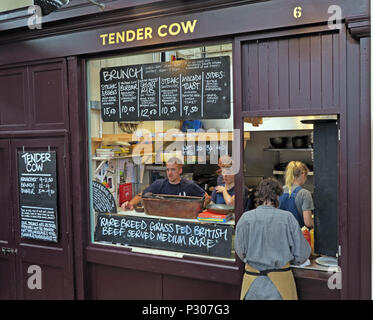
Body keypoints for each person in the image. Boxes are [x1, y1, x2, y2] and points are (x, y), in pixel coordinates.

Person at [235, 178, 311, 300]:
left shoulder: (245, 218)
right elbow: (302, 254)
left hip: (252, 285)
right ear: (277, 197)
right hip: (281, 286)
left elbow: (240, 251)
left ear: (258, 196)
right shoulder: (288, 218)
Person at [121, 157, 208, 210]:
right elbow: (141, 195)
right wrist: (130, 204)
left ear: (180, 170)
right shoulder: (159, 184)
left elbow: (207, 197)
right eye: (167, 169)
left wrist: (202, 207)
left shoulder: (189, 185)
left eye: (173, 169)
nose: (169, 173)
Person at [279, 161, 314, 228]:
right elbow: (308, 223)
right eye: (306, 175)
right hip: (298, 235)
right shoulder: (305, 194)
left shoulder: (279, 191)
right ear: (303, 174)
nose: (306, 179)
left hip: (281, 233)